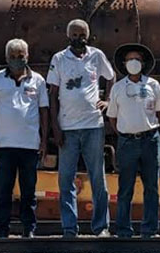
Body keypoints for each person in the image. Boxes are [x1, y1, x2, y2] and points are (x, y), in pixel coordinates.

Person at [47, 19, 115, 238]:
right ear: (68, 36)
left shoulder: (96, 56)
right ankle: (69, 228)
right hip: (68, 127)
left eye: (82, 35)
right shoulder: (59, 59)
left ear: (89, 36)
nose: (79, 39)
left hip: (93, 125)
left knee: (98, 178)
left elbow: (111, 77)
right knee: (66, 179)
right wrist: (55, 127)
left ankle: (101, 227)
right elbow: (52, 94)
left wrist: (109, 100)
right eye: (75, 35)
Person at [0, 38, 49, 238]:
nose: (16, 60)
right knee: (4, 191)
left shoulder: (38, 80)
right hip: (4, 145)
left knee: (29, 192)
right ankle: (3, 230)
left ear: (27, 56)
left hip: (30, 145)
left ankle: (29, 229)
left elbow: (44, 111)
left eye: (20, 57)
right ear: (6, 58)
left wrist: (44, 140)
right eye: (12, 57)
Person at [107, 43, 160, 238]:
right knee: (125, 188)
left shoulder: (153, 85)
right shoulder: (117, 88)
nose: (134, 63)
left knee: (152, 187)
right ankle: (123, 229)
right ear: (124, 64)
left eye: (137, 60)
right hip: (127, 142)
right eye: (130, 59)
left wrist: (145, 127)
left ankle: (149, 229)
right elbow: (112, 117)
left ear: (143, 63)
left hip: (150, 140)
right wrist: (126, 132)